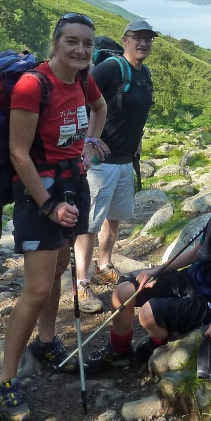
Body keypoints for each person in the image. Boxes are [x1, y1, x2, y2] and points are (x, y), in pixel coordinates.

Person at [0, 12, 110, 421]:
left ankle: (45, 341)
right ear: (55, 43)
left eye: (87, 43)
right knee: (38, 288)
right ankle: (4, 380)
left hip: (73, 183)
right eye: (72, 41)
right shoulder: (32, 84)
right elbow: (18, 153)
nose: (80, 49)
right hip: (39, 193)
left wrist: (89, 145)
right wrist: (47, 205)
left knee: (61, 266)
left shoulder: (82, 78)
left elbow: (99, 106)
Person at [82, 159, 211, 371]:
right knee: (123, 292)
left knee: (147, 315)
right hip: (192, 278)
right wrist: (156, 270)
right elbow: (197, 252)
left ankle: (157, 343)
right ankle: (119, 351)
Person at [74, 19, 156, 312]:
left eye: (148, 39)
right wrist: (87, 140)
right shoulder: (110, 69)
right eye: (137, 38)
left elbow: (140, 112)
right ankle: (81, 282)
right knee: (89, 223)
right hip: (99, 163)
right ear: (125, 40)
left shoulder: (144, 73)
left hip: (124, 161)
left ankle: (104, 264)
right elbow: (78, 100)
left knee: (114, 217)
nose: (143, 43)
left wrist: (138, 139)